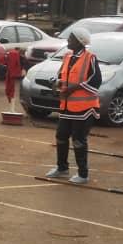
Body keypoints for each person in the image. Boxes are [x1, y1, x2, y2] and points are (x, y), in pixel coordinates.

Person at [45, 27, 101, 184]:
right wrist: (56, 84)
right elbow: (62, 77)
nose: (68, 41)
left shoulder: (90, 57)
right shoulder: (67, 57)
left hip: (84, 108)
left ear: (79, 41)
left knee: (78, 140)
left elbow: (96, 81)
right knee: (61, 136)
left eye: (71, 38)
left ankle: (83, 174)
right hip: (67, 107)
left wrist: (71, 89)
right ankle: (62, 168)